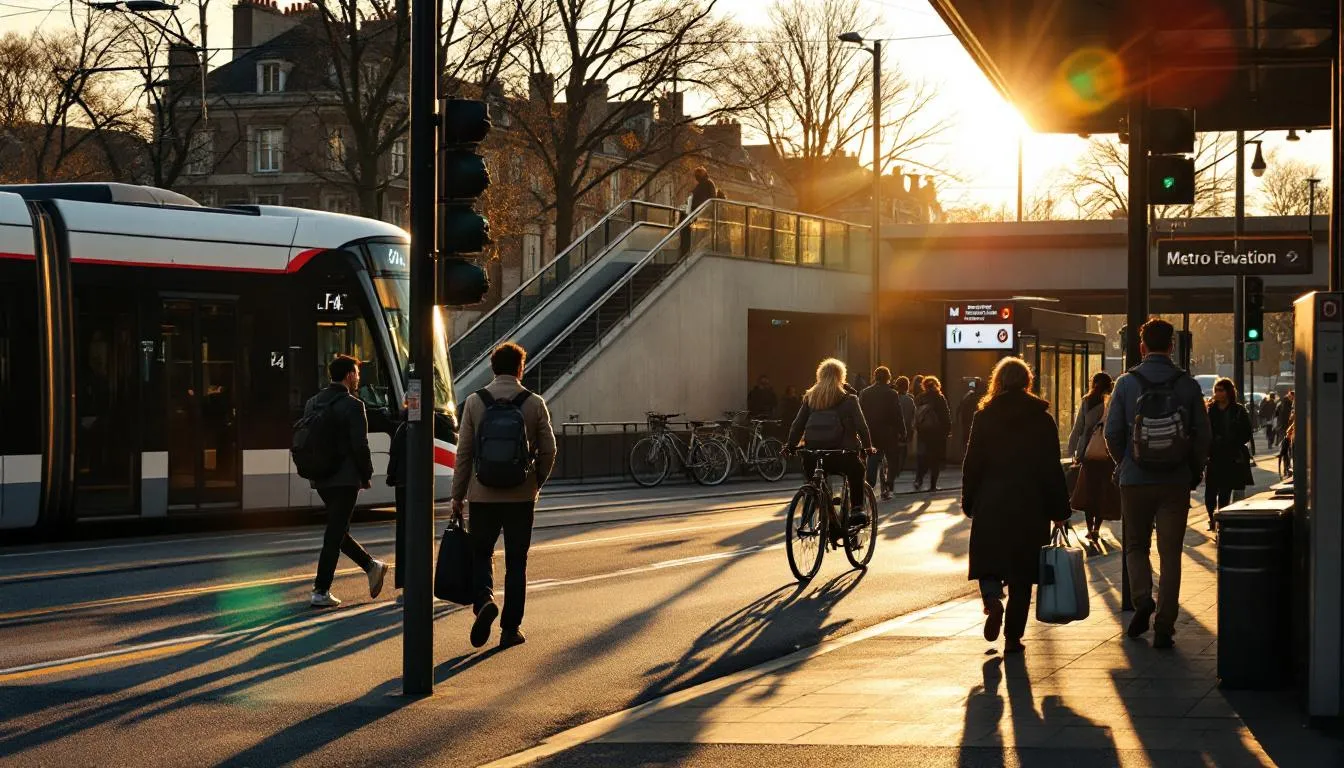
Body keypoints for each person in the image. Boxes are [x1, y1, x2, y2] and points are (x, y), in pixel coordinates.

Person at [1104, 319, 1211, 650]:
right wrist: (1192, 470)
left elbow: (1111, 432)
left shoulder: (1126, 383)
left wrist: (1125, 463)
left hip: (1135, 480)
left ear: (1141, 347)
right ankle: (1165, 625)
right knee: (1171, 553)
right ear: (1172, 346)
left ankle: (1142, 598)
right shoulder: (1187, 385)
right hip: (1174, 481)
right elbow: (1203, 436)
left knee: (1135, 545)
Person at [963, 357, 1072, 653]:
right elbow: (1051, 469)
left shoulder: (984, 416)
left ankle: (992, 599)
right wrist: (1060, 511)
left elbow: (972, 464)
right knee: (1022, 575)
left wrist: (969, 500)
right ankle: (1013, 638)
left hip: (991, 500)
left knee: (988, 561)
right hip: (1030, 505)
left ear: (997, 381)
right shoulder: (1042, 419)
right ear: (1027, 382)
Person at [453, 342, 558, 650]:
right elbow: (550, 450)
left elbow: (464, 453)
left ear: (493, 368)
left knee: (481, 553)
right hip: (520, 497)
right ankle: (510, 629)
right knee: (516, 562)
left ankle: (484, 599)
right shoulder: (534, 403)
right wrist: (535, 482)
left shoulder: (475, 402)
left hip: (482, 495)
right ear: (520, 369)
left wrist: (458, 495)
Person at [307, 355, 389, 608]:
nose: (358, 378)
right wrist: (366, 475)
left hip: (320, 477)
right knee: (335, 532)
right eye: (357, 373)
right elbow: (360, 445)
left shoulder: (313, 402)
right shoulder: (354, 405)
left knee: (337, 529)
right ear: (349, 375)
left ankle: (372, 566)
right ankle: (321, 590)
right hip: (345, 479)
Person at [785, 358, 875, 526]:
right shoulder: (849, 399)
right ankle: (857, 509)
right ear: (842, 377)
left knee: (816, 479)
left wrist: (790, 445)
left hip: (813, 456)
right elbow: (862, 427)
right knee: (858, 470)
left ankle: (818, 503)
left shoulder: (810, 398)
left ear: (820, 375)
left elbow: (797, 425)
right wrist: (868, 446)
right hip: (841, 456)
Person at [1067, 371, 1119, 543]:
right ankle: (1097, 528)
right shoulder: (1111, 402)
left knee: (1089, 492)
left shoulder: (1087, 401)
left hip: (1088, 454)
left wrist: (1072, 451)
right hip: (1107, 454)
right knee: (1102, 492)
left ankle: (1090, 529)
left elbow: (1078, 428)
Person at [1204, 377, 1253, 532]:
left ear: (1228, 392)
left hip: (1231, 457)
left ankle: (1221, 521)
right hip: (1214, 457)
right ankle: (1212, 517)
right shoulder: (1210, 410)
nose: (1217, 393)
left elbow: (1247, 432)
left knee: (1225, 491)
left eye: (1221, 390)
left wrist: (1233, 441)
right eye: (1216, 390)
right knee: (1210, 493)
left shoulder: (1238, 410)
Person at [859, 366, 907, 501]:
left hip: (871, 432)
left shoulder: (865, 393)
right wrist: (902, 431)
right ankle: (888, 486)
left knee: (873, 458)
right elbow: (897, 414)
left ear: (875, 377)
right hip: (889, 432)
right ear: (888, 378)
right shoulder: (892, 393)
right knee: (892, 460)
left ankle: (869, 485)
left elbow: (860, 413)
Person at [913, 376, 952, 492]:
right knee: (935, 459)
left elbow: (916, 416)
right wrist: (947, 430)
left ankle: (918, 479)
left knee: (922, 457)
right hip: (937, 433)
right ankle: (933, 485)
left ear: (924, 386)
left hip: (923, 432)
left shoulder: (920, 398)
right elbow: (945, 415)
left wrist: (918, 428)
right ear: (937, 385)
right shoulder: (940, 398)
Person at [893, 376, 916, 479]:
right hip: (906, 429)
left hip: (893, 429)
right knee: (903, 450)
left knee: (894, 450)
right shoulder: (910, 400)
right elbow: (913, 415)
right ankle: (898, 469)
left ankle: (893, 469)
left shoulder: (893, 398)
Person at [957, 379, 981, 447]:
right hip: (969, 419)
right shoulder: (972, 396)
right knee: (969, 437)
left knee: (967, 437)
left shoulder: (967, 395)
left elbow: (960, 407)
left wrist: (958, 416)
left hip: (968, 419)